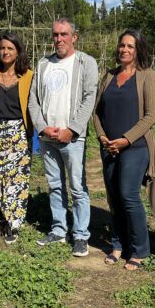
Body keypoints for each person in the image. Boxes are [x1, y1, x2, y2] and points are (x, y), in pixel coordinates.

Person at [29, 18, 98, 257]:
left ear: (74, 37)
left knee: (77, 187)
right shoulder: (43, 64)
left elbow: (90, 97)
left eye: (64, 34)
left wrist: (73, 129)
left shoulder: (85, 63)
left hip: (73, 138)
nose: (59, 39)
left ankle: (80, 235)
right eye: (55, 35)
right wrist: (43, 127)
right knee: (55, 185)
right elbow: (33, 100)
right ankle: (59, 229)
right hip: (48, 137)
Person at [93, 29, 155, 270]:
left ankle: (140, 249)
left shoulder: (146, 76)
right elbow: (97, 111)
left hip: (135, 147)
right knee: (114, 198)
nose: (124, 49)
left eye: (130, 46)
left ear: (138, 49)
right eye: (122, 45)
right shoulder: (109, 75)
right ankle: (118, 244)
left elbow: (152, 115)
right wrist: (102, 136)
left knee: (129, 196)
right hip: (109, 147)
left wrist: (125, 139)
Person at [0, 32, 34, 245]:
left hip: (18, 131)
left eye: (10, 48)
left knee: (15, 181)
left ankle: (13, 224)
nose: (6, 52)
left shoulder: (28, 75)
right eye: (2, 48)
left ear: (18, 51)